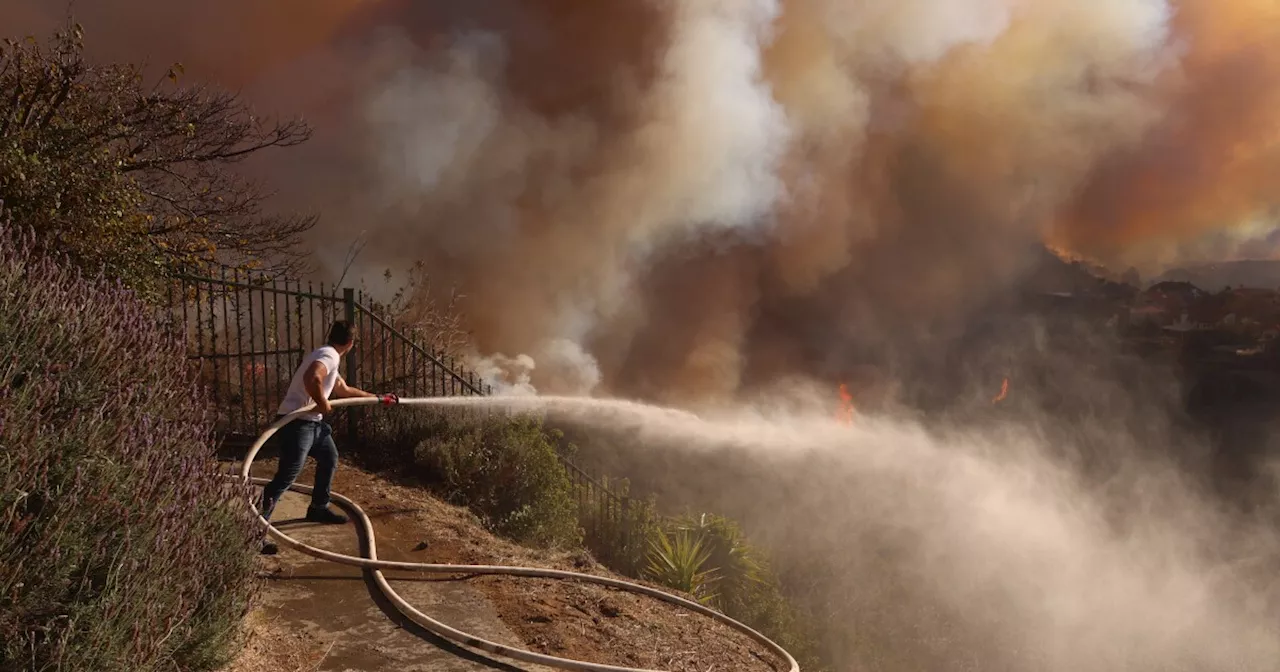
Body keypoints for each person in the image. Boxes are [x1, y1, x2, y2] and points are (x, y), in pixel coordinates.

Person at [259, 320, 397, 555]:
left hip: (312, 425)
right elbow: (313, 378)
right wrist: (322, 403)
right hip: (297, 424)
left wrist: (377, 397)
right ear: (351, 343)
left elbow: (342, 389)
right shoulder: (329, 356)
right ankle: (255, 530)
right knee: (286, 477)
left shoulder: (328, 354)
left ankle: (318, 507)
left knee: (329, 457)